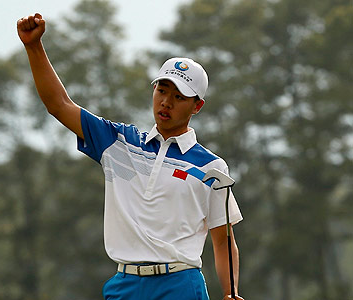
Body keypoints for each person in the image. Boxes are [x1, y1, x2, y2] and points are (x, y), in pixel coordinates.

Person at [17, 13, 244, 300]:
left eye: (178, 97)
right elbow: (59, 105)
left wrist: (230, 292)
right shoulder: (119, 142)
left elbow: (223, 241)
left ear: (196, 106)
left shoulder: (211, 167)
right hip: (125, 285)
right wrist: (34, 47)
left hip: (180, 285)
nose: (166, 102)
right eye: (162, 90)